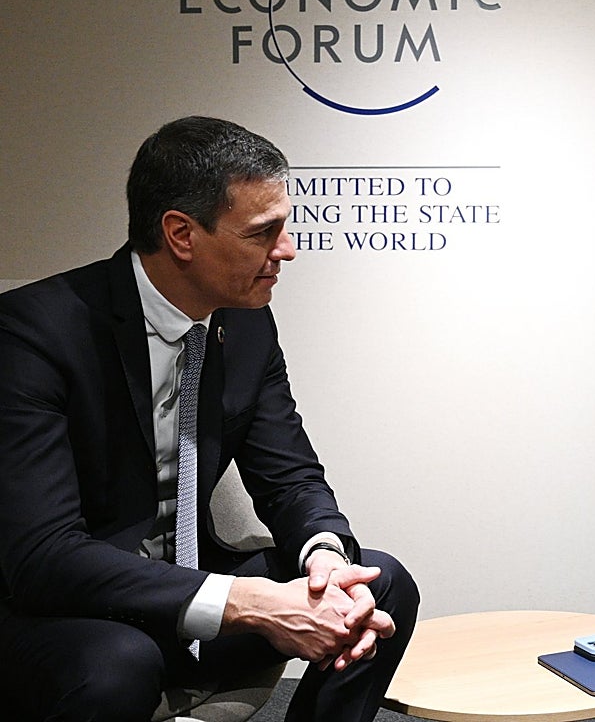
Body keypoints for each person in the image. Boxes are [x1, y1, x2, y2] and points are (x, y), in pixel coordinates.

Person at [0, 116, 419, 721]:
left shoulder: (246, 322)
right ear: (181, 234)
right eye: (262, 232)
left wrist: (325, 561)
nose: (287, 250)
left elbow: (290, 478)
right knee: (120, 662)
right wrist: (249, 603)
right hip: (67, 612)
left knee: (378, 587)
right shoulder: (33, 333)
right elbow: (45, 557)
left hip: (194, 586)